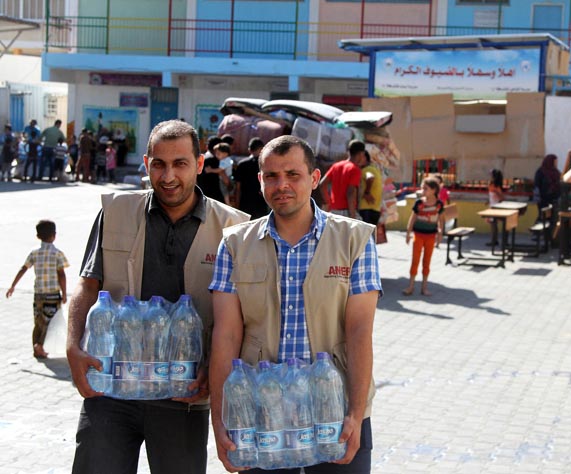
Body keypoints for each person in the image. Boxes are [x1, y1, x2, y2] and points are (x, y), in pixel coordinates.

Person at [65, 120, 249, 474]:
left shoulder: (234, 229)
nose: (168, 176)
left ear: (198, 164)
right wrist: (73, 345)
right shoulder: (116, 211)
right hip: (111, 389)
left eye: (180, 164)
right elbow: (88, 285)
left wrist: (217, 372)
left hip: (184, 393)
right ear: (147, 163)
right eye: (159, 164)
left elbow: (242, 317)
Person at [208, 135, 381, 473]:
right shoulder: (235, 244)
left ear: (314, 179)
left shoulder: (354, 240)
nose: (281, 185)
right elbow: (225, 336)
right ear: (260, 182)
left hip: (335, 408)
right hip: (260, 410)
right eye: (271, 176)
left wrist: (356, 414)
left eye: (293, 175)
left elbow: (360, 331)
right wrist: (221, 419)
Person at [6, 219, 69, 359]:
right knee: (49, 321)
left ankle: (36, 348)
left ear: (37, 236)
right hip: (53, 294)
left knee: (38, 320)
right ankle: (39, 345)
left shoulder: (34, 253)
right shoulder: (57, 253)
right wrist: (64, 293)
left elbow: (23, 269)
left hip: (38, 294)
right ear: (54, 235)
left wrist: (13, 286)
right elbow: (62, 275)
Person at [403, 176, 444, 297]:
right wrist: (408, 232)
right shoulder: (419, 203)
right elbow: (413, 218)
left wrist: (440, 233)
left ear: (433, 190)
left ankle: (424, 287)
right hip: (418, 235)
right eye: (422, 188)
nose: (423, 191)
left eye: (425, 188)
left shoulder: (439, 205)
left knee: (427, 261)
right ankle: (410, 286)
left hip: (431, 237)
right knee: (415, 260)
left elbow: (441, 220)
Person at [319, 140, 367, 219]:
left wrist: (328, 202)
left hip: (333, 211)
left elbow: (322, 184)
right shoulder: (355, 169)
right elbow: (350, 192)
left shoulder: (336, 166)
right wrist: (352, 216)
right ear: (360, 154)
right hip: (346, 212)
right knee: (363, 229)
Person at [232, 137, 268, 219]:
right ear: (262, 149)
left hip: (245, 202)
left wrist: (237, 204)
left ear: (249, 150)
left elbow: (237, 187)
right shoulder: (265, 165)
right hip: (261, 202)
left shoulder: (242, 164)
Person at [359, 150, 383, 226]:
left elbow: (370, 178)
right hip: (376, 209)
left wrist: (367, 192)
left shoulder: (367, 169)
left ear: (365, 158)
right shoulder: (375, 169)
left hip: (366, 208)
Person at [487, 169, 505, 247]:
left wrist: (497, 196)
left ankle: (494, 240)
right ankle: (494, 240)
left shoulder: (495, 186)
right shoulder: (493, 185)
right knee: (493, 224)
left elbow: (501, 197)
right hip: (493, 205)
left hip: (495, 207)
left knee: (493, 224)